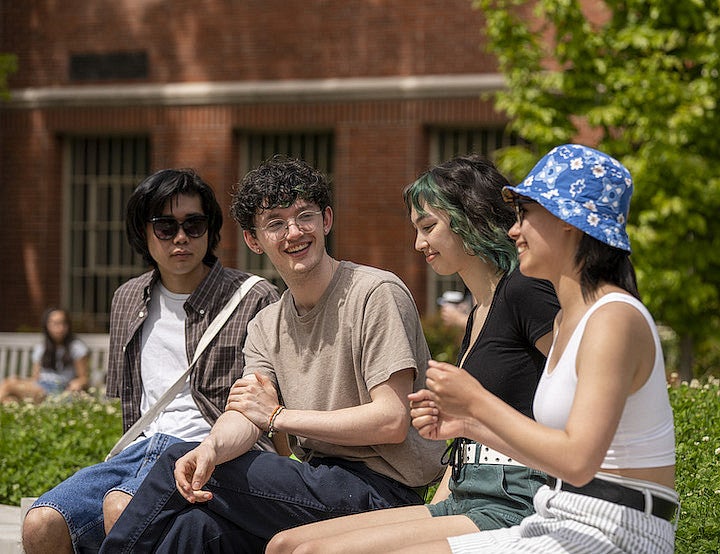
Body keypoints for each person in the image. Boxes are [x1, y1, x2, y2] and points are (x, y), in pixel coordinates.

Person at [99, 155, 446, 553]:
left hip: (383, 492)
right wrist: (210, 448)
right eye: (276, 223)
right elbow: (246, 416)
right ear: (253, 240)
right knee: (194, 528)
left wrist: (279, 417)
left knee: (173, 461)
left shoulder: (375, 293)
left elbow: (391, 421)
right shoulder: (266, 323)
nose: (294, 232)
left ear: (326, 220)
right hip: (317, 482)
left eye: (305, 216)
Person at [266, 154, 560, 554]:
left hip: (517, 499)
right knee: (284, 545)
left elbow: (578, 390)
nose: (418, 243)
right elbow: (464, 440)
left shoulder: (526, 291)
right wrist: (435, 507)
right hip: (465, 492)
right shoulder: (477, 315)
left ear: (469, 217)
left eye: (428, 227)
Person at [409, 144, 678, 553]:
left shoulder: (614, 318)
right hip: (562, 515)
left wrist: (476, 402)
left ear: (569, 221)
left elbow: (577, 460)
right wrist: (467, 427)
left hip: (618, 533)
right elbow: (554, 451)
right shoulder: (566, 320)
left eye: (526, 214)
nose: (513, 230)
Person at [22, 168, 279, 554]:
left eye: (194, 225)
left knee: (121, 507)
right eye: (165, 226)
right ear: (143, 232)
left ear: (210, 230)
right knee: (41, 523)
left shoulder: (252, 297)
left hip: (213, 452)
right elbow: (130, 403)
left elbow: (266, 404)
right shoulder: (127, 298)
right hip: (140, 450)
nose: (181, 238)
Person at [0, 307, 89, 404]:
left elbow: (83, 378)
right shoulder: (41, 348)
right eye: (55, 323)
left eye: (63, 323)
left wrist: (77, 383)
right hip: (40, 386)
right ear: (46, 325)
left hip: (60, 389)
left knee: (8, 385)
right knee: (8, 399)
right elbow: (35, 378)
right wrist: (20, 380)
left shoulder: (76, 347)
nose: (60, 327)